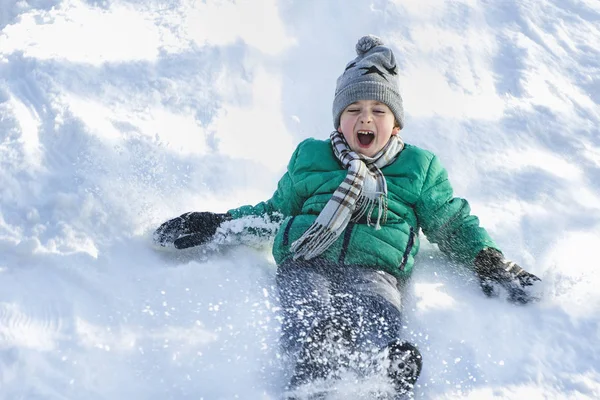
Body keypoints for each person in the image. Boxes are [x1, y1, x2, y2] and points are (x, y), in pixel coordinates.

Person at [153, 35, 541, 397]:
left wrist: (486, 259)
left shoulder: (418, 168)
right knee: (308, 303)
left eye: (378, 110)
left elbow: (451, 222)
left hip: (377, 267)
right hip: (307, 258)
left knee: (377, 307)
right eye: (353, 110)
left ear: (397, 122)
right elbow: (275, 212)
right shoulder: (311, 157)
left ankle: (381, 372)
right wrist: (220, 224)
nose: (365, 119)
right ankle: (314, 370)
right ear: (338, 119)